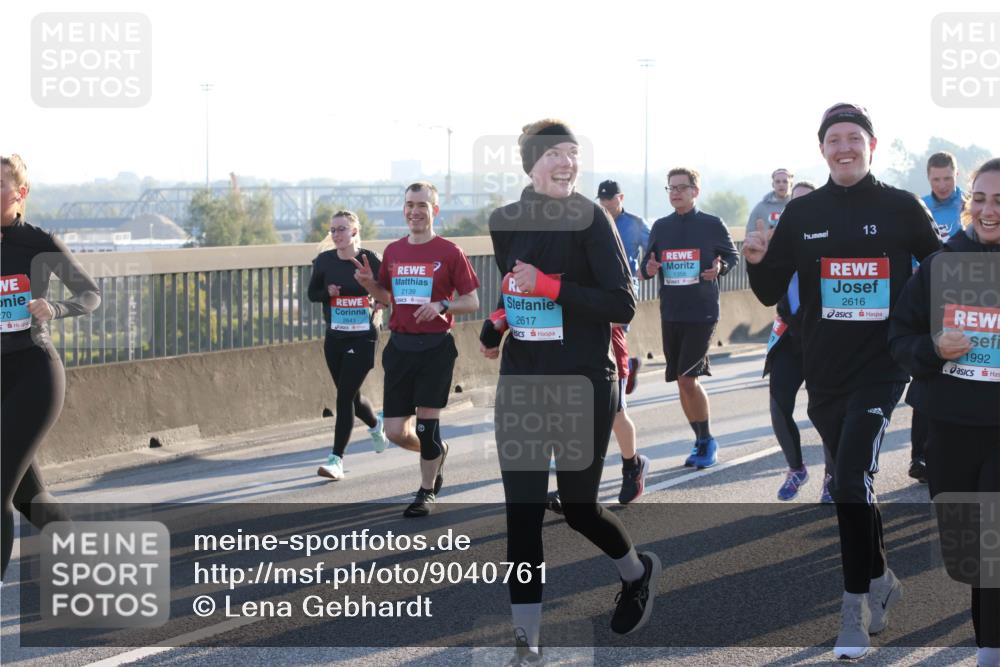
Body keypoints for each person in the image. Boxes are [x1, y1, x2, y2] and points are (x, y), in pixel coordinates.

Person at [742, 103, 941, 659]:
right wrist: (756, 259)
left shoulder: (901, 207)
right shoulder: (804, 215)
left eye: (855, 137)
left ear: (872, 145)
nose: (844, 147)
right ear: (822, 150)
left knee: (850, 480)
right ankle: (879, 577)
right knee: (853, 489)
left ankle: (853, 611)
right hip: (822, 370)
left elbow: (944, 269)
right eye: (834, 139)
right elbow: (767, 289)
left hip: (883, 366)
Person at [481, 119, 660, 665]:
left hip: (584, 379)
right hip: (523, 383)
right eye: (554, 154)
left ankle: (636, 572)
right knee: (523, 514)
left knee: (579, 509)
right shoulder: (504, 221)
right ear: (529, 165)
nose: (566, 163)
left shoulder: (591, 219)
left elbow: (622, 303)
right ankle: (525, 644)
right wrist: (497, 320)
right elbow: (516, 284)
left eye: (573, 154)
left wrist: (549, 287)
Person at [889, 157, 999, 667]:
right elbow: (900, 338)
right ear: (966, 203)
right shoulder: (941, 264)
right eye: (980, 198)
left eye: (999, 200)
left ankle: (989, 648)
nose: (988, 209)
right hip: (950, 429)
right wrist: (935, 349)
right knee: (970, 551)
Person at [353, 182, 479, 518]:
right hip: (400, 347)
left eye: (422, 205)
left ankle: (425, 491)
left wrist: (442, 304)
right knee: (395, 431)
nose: (415, 211)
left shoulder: (451, 252)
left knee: (426, 425)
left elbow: (472, 300)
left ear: (434, 210)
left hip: (436, 347)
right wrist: (370, 285)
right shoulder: (394, 251)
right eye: (409, 205)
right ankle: (436, 451)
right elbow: (388, 298)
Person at [2, 154, 101, 579]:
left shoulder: (38, 242)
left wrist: (55, 307)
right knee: (30, 499)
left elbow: (90, 294)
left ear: (20, 194)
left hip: (34, 374)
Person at [640, 167, 739, 469]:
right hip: (671, 311)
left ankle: (707, 440)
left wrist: (719, 269)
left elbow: (732, 256)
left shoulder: (711, 224)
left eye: (682, 188)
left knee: (687, 378)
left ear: (695, 191)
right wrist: (650, 269)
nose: (675, 193)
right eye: (671, 188)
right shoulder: (661, 226)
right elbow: (646, 266)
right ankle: (701, 439)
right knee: (682, 383)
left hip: (702, 311)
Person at [751, 180, 835, 502]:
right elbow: (764, 289)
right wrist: (759, 259)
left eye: (806, 202)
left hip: (824, 337)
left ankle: (832, 476)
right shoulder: (780, 243)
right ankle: (796, 468)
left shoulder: (831, 239)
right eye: (793, 204)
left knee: (825, 411)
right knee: (778, 405)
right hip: (789, 334)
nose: (798, 209)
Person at [307, 210, 387, 481]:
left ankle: (335, 460)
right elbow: (311, 293)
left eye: (342, 229)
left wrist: (379, 300)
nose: (337, 234)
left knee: (343, 398)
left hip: (364, 336)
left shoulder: (370, 259)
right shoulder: (324, 261)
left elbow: (388, 292)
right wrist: (326, 293)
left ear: (354, 231)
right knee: (350, 395)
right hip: (335, 337)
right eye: (333, 230)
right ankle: (376, 425)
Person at [908, 151, 968, 484]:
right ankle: (920, 456)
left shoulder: (973, 205)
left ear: (955, 176)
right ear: (928, 178)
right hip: (931, 301)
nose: (942, 185)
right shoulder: (920, 207)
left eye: (947, 178)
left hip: (972, 303)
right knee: (927, 378)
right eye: (935, 179)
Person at [597, 179, 650, 392]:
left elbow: (653, 248)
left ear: (621, 198)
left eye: (609, 198)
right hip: (599, 286)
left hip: (625, 288)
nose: (605, 203)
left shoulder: (635, 224)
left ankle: (623, 375)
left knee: (616, 331)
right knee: (606, 335)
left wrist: (645, 269)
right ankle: (625, 368)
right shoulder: (595, 221)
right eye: (602, 199)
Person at [747, 168, 794, 233]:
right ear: (773, 185)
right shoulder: (760, 208)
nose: (781, 184)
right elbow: (750, 233)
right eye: (777, 182)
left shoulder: (796, 206)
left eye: (785, 181)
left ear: (791, 184)